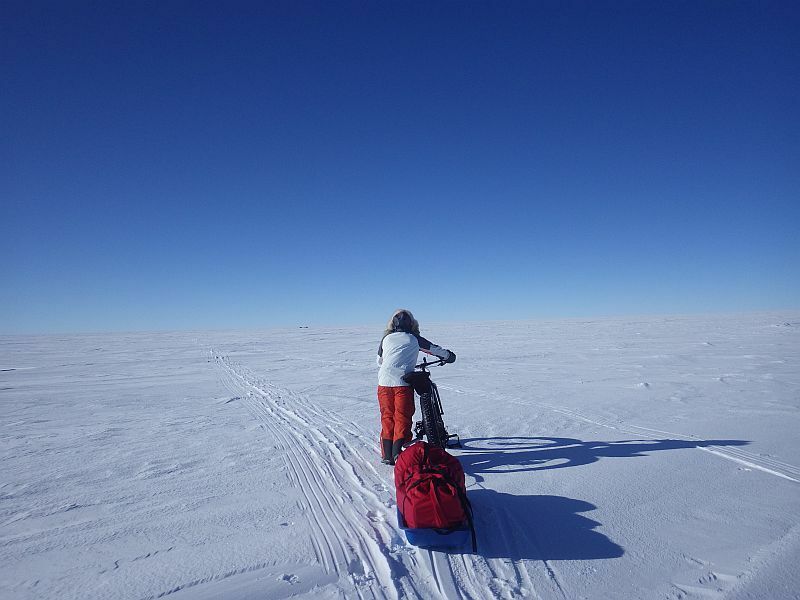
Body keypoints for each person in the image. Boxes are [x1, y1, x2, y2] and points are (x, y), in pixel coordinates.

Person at [376, 309, 456, 465]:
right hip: (402, 384)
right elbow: (435, 350)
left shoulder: (385, 339)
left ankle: (386, 455)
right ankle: (398, 453)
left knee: (387, 416)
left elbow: (379, 361)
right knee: (402, 417)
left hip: (383, 383)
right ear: (412, 324)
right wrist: (449, 356)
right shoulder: (414, 339)